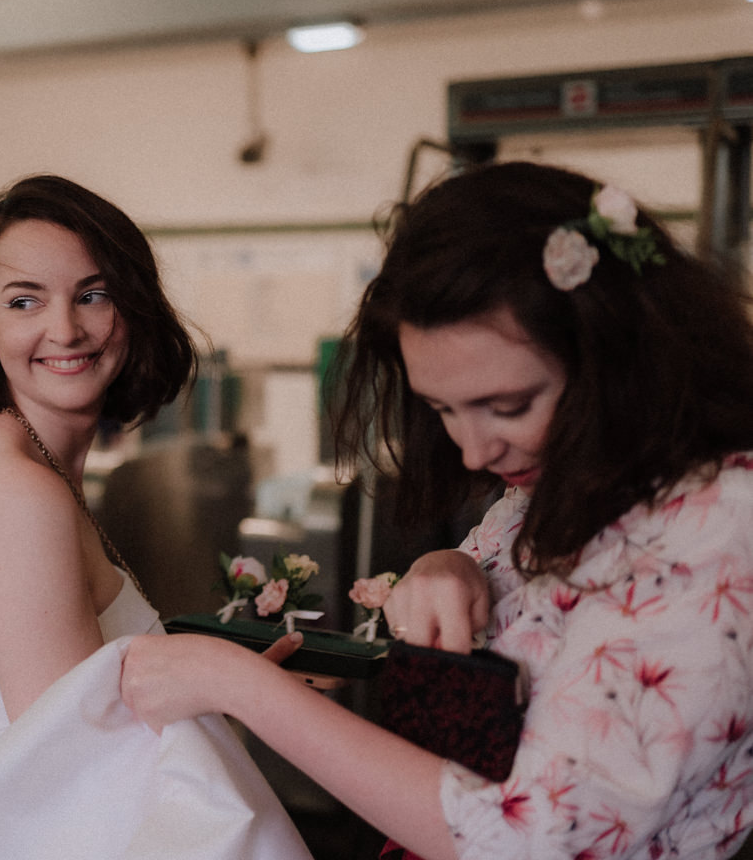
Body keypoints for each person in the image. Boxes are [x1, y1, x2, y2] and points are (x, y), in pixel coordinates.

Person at [122, 161, 753, 860]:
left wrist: (240, 687)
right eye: (442, 409)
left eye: (507, 407)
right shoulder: (563, 485)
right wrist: (446, 566)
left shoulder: (720, 527)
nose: (475, 451)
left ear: (619, 352)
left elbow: (526, 839)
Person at [0, 175, 312, 860]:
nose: (64, 329)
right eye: (24, 300)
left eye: (92, 294)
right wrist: (234, 692)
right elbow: (72, 782)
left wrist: (204, 669)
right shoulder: (20, 494)